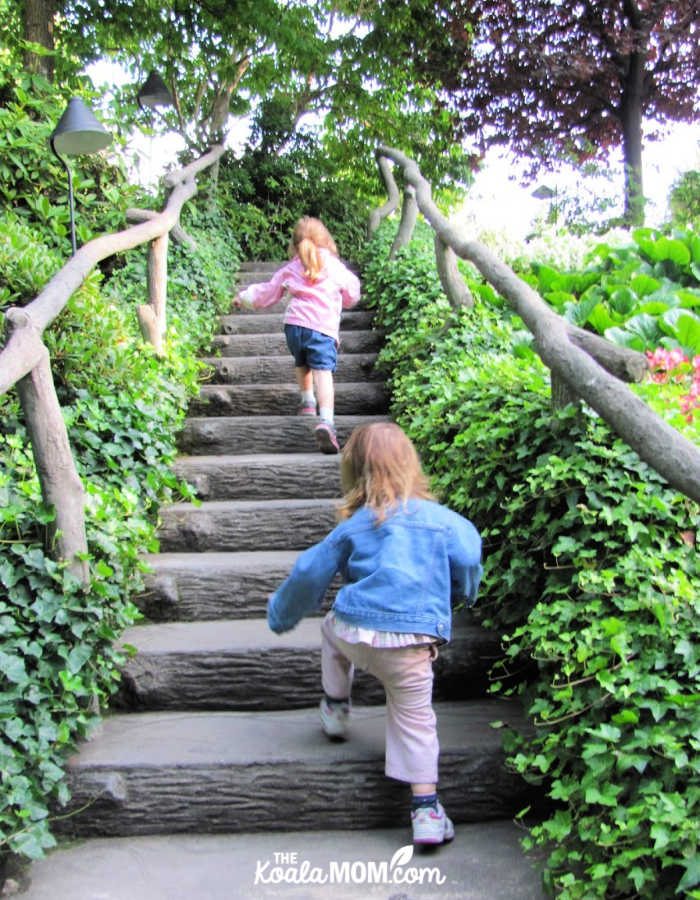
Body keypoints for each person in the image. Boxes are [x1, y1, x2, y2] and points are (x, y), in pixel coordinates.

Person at [267, 422, 483, 845]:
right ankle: (426, 812)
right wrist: (463, 594)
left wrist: (281, 614)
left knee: (330, 629)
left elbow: (309, 571)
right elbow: (470, 554)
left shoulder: (354, 525)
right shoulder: (443, 522)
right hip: (410, 649)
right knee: (415, 720)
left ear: (356, 470)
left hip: (355, 633)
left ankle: (335, 706)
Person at [234, 217, 361, 454]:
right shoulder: (334, 266)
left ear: (294, 245)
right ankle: (326, 421)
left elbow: (267, 292)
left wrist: (244, 298)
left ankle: (307, 401)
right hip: (322, 327)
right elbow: (352, 292)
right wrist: (342, 299)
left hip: (294, 327)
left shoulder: (292, 267)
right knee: (323, 372)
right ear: (326, 240)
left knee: (302, 361)